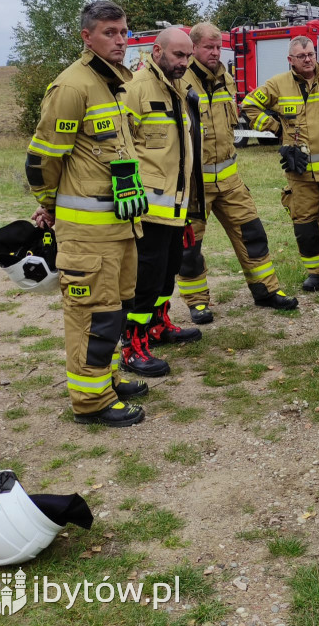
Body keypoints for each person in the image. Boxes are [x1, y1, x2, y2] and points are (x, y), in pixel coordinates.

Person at [24, 0, 149, 427]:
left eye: (124, 32)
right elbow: (41, 161)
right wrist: (48, 205)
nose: (120, 40)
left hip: (120, 226)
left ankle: (105, 378)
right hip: (87, 233)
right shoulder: (72, 87)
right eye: (110, 33)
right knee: (92, 312)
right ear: (86, 37)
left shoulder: (112, 82)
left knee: (115, 307)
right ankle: (90, 400)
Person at [176, 22, 298, 323]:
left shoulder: (226, 79)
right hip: (193, 183)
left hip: (229, 178)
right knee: (190, 246)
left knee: (253, 233)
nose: (215, 52)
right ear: (194, 48)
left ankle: (266, 290)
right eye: (209, 47)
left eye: (218, 47)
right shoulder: (179, 81)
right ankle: (197, 302)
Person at [242, 37, 319, 297]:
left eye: (311, 54)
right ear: (291, 60)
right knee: (305, 226)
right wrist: (276, 128)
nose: (308, 59)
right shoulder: (277, 85)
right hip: (299, 175)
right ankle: (317, 272)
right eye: (302, 56)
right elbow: (249, 105)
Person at [122, 27, 206, 378]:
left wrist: (189, 207)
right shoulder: (134, 90)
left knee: (168, 272)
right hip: (148, 212)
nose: (184, 63)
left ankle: (158, 325)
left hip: (177, 206)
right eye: (178, 56)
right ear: (156, 51)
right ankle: (132, 343)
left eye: (188, 56)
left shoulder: (180, 88)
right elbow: (121, 149)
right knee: (146, 279)